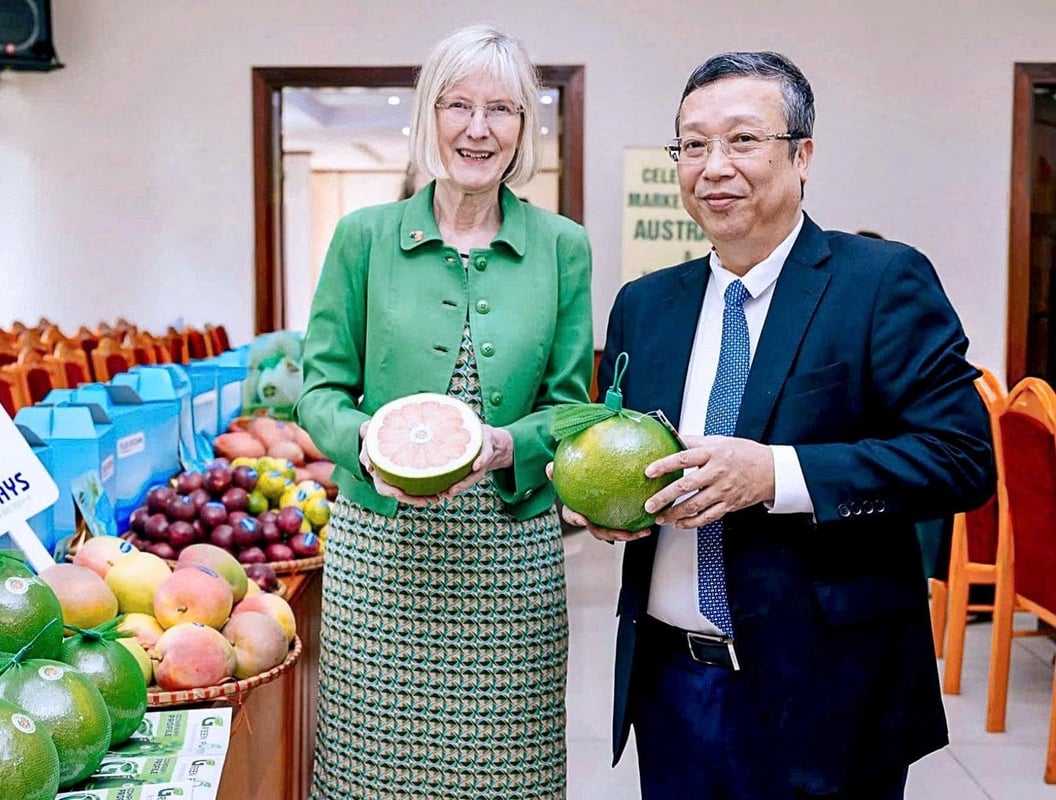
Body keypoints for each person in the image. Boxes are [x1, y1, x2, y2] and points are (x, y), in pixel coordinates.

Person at [558, 52, 994, 799]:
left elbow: (959, 457)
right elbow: (628, 454)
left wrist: (778, 475)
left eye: (742, 140)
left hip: (826, 692)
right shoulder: (644, 305)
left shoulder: (881, 282)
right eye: (693, 144)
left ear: (802, 156)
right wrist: (609, 510)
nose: (713, 166)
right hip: (670, 687)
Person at [295, 24, 594, 799]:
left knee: (509, 776)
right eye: (457, 105)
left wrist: (505, 446)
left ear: (524, 128)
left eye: (501, 109)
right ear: (429, 117)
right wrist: (364, 443)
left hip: (509, 561)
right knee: (371, 776)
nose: (478, 128)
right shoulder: (364, 239)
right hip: (381, 557)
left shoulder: (563, 247)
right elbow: (317, 392)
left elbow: (569, 409)